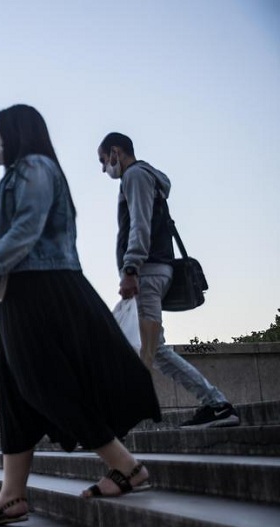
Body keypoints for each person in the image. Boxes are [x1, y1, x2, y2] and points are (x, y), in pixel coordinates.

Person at [0, 105, 161, 526]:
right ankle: (12, 497)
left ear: (16, 132)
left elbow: (28, 227)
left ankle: (128, 467)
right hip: (16, 292)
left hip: (41, 288)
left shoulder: (35, 167)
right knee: (13, 389)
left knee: (43, 384)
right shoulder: (16, 174)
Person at [98, 132, 240, 429]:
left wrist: (130, 268)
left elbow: (140, 224)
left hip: (146, 272)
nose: (104, 169)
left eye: (104, 161)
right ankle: (214, 404)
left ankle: (217, 404)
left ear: (115, 152)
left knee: (152, 349)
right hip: (155, 269)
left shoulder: (134, 175)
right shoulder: (149, 178)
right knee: (149, 349)